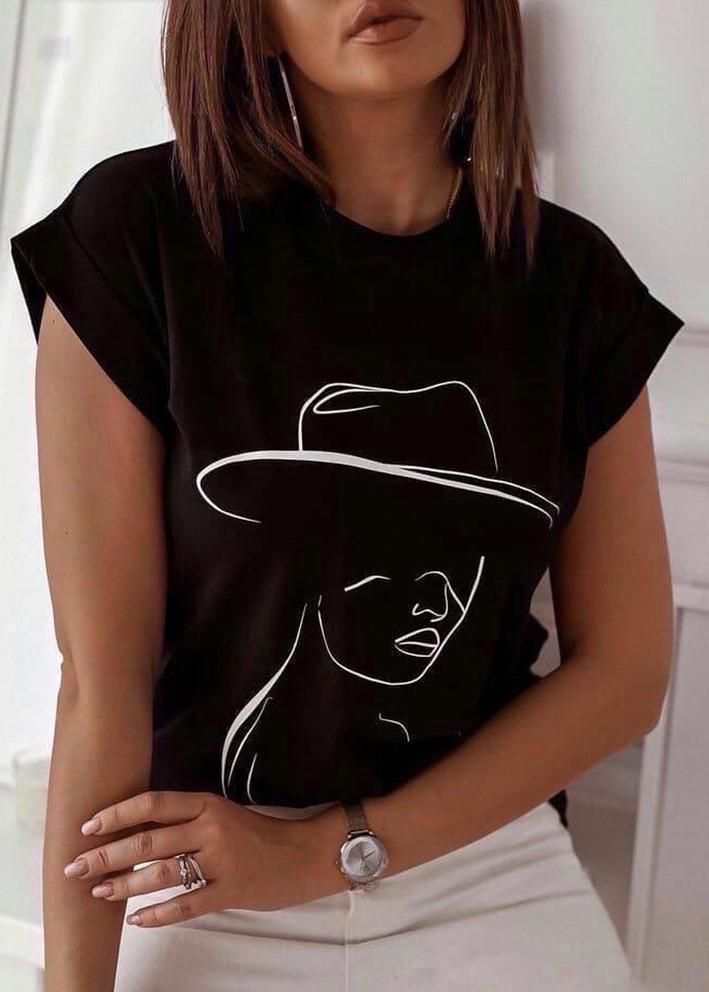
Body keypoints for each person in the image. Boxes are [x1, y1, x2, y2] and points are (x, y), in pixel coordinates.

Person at [8, 1, 684, 989]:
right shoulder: (140, 232)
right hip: (198, 873)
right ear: (252, 19)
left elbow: (624, 672)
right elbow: (103, 683)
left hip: (485, 868)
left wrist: (328, 850)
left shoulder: (572, 281)